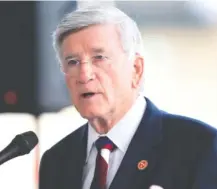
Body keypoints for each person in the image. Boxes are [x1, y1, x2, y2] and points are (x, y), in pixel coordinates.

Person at [39, 5, 217, 189]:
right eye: (73, 62)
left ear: (136, 69)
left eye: (99, 57)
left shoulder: (199, 147)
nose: (84, 75)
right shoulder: (56, 160)